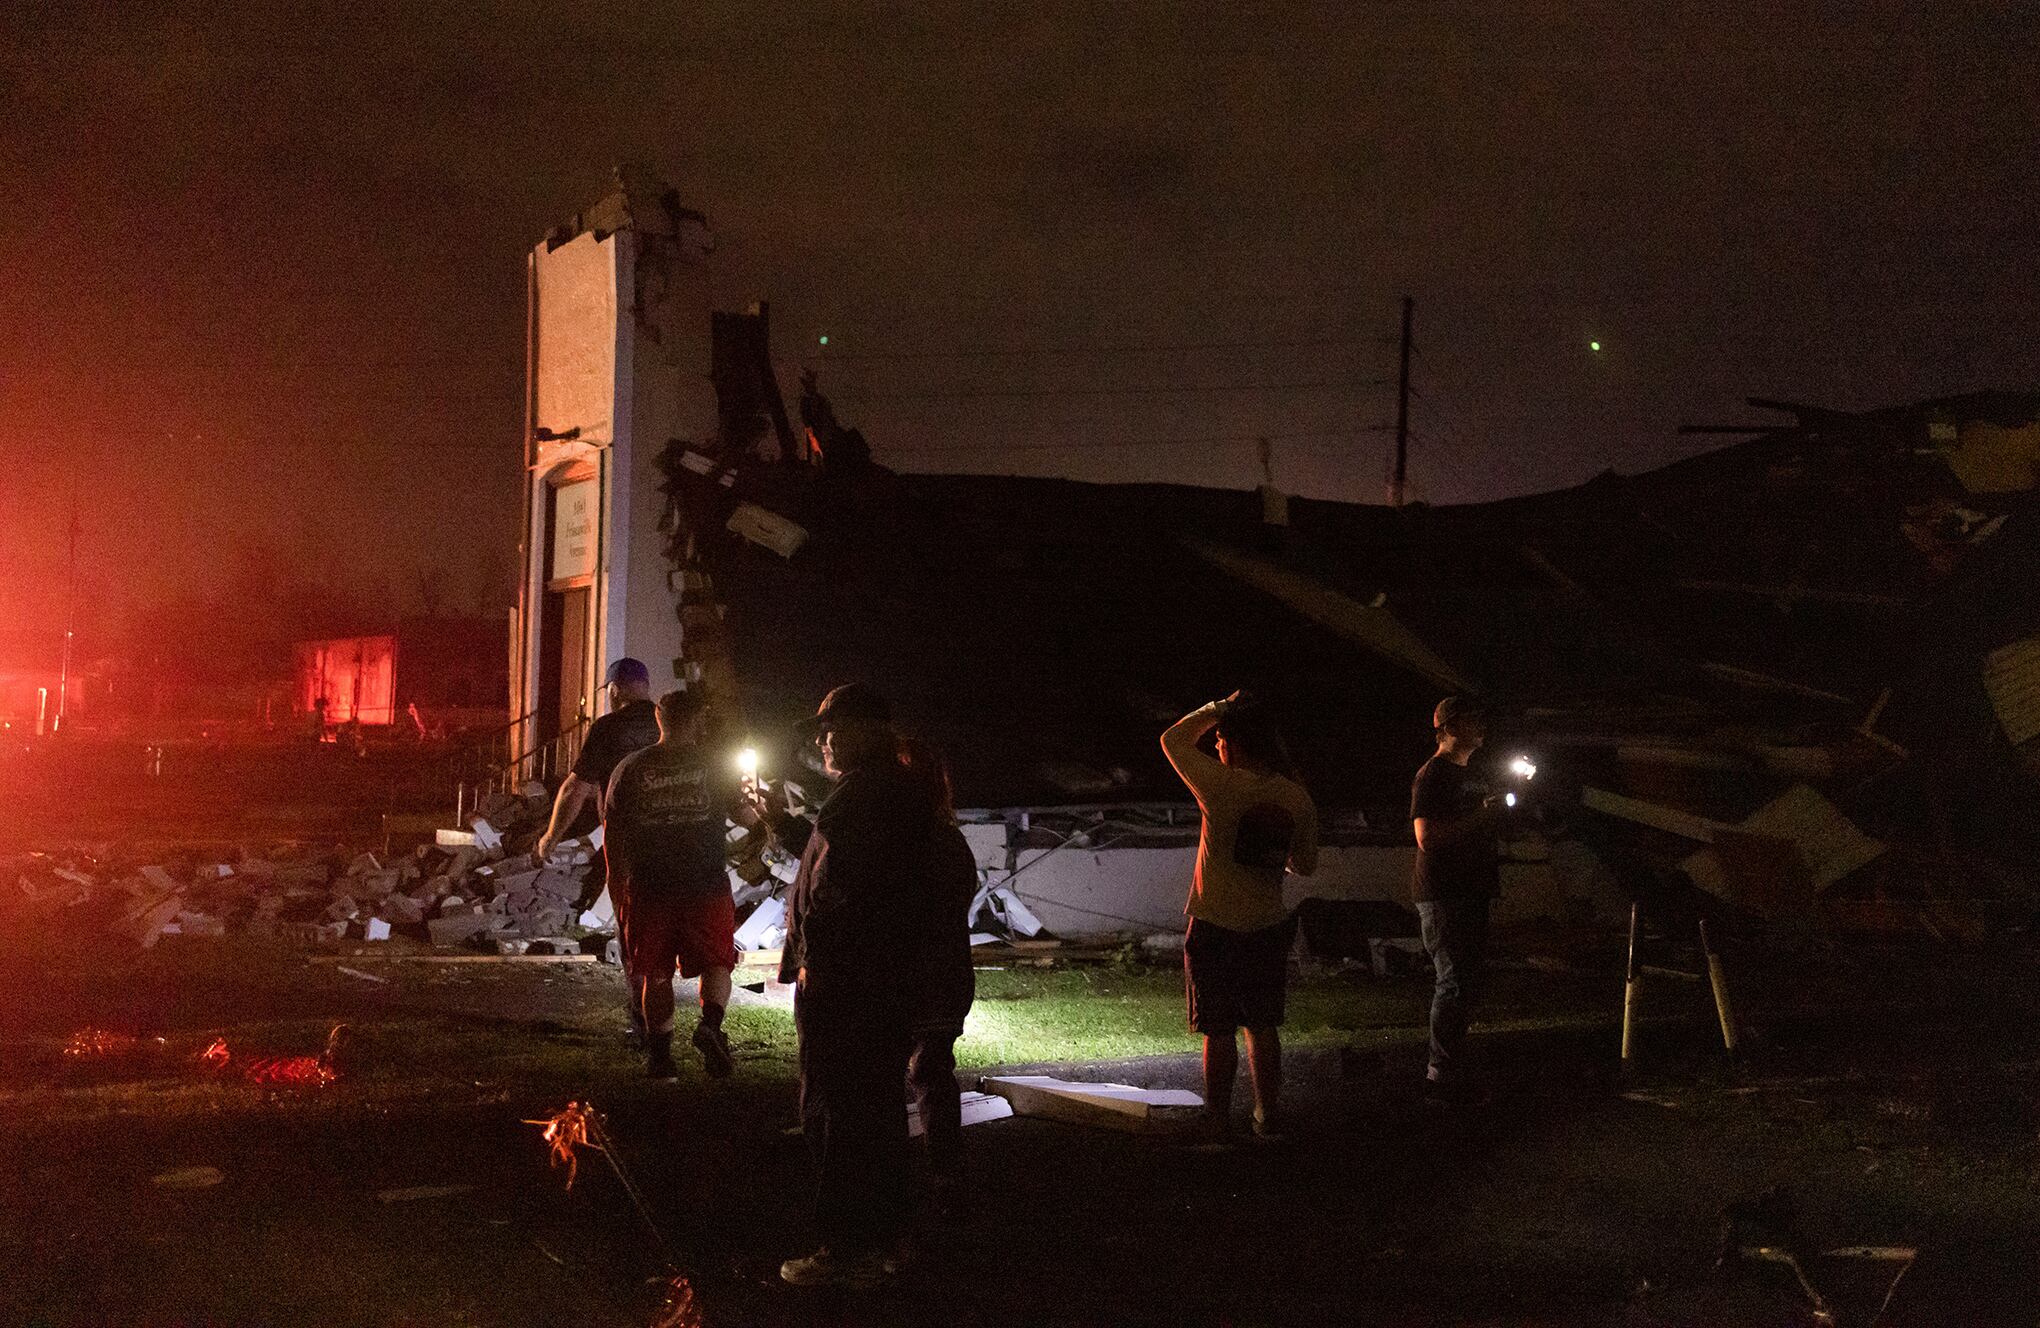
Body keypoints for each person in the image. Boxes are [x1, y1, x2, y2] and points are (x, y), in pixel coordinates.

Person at [772, 684, 933, 1288]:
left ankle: (847, 1249)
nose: (821, 741)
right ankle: (884, 1237)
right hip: (869, 983)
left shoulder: (866, 798)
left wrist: (818, 963)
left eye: (831, 728)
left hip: (850, 987)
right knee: (870, 1111)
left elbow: (844, 893)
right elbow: (827, 864)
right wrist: (781, 826)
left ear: (866, 730)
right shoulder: (875, 794)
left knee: (842, 1114)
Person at [1161, 692, 1319, 1144]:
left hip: (1214, 923)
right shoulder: (1296, 797)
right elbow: (1304, 865)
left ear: (1238, 743)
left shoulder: (1222, 787)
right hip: (1267, 925)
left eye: (1221, 740)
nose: (1215, 747)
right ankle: (1267, 1116)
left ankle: (1216, 1119)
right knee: (1262, 1025)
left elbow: (1173, 741)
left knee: (1217, 1028)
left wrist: (1217, 708)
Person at [603, 688, 744, 1080]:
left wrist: (618, 891)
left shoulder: (628, 769)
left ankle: (661, 1060)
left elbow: (612, 837)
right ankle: (710, 1026)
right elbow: (748, 817)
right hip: (706, 885)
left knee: (656, 972)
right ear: (697, 721)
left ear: (659, 721)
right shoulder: (717, 766)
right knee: (717, 961)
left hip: (650, 889)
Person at [536, 657, 662, 1042]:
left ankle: (642, 1015)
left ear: (614, 689)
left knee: (632, 925)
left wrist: (550, 837)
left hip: (626, 842)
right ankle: (689, 1015)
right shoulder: (669, 724)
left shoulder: (608, 728)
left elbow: (577, 788)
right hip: (677, 840)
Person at [1410, 696, 1507, 1098]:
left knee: (1468, 980)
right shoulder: (1432, 775)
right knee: (1452, 980)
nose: (1481, 727)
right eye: (1472, 720)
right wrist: (1481, 817)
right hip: (1444, 893)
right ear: (1449, 728)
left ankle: (1454, 1062)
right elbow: (1426, 838)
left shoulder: (1475, 773)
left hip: (1473, 888)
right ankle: (1440, 1072)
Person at [896, 737, 978, 1194]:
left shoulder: (919, 841)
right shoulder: (948, 839)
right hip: (944, 976)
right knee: (932, 1071)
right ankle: (946, 1172)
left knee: (915, 1069)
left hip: (922, 975)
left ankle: (921, 1176)